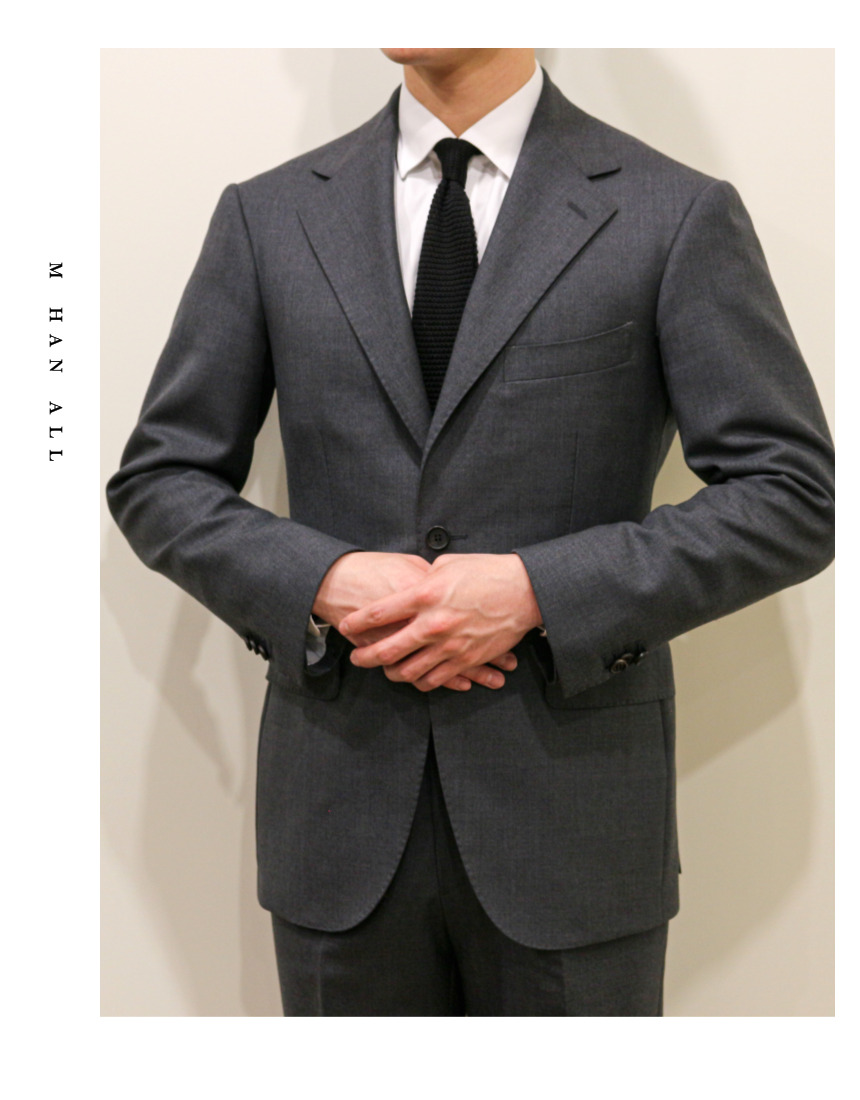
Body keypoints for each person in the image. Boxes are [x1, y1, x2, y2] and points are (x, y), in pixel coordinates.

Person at [106, 48, 835, 1015]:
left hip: (572, 825)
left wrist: (538, 590)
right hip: (338, 817)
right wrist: (321, 578)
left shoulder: (672, 210)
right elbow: (160, 478)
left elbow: (790, 494)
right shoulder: (269, 215)